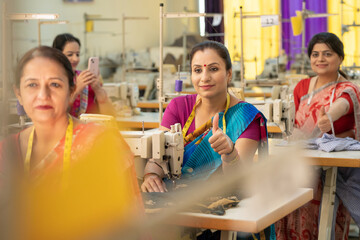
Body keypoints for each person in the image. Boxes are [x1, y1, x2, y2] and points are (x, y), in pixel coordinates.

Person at [0, 46, 142, 239]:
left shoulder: (101, 144)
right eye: (32, 85)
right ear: (18, 94)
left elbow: (128, 223)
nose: (43, 95)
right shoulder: (5, 151)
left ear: (71, 90)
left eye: (55, 85)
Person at [141, 41, 274, 239]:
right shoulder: (178, 107)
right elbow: (159, 156)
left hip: (220, 208)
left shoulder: (246, 117)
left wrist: (230, 154)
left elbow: (236, 181)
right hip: (175, 202)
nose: (204, 77)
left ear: (229, 74)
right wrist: (151, 174)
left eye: (213, 69)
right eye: (197, 70)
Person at [276, 32, 360, 239]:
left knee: (324, 221)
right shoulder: (302, 86)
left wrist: (328, 118)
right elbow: (294, 123)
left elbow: (343, 103)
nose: (320, 59)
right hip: (301, 166)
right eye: (315, 54)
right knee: (290, 212)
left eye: (327, 54)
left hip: (332, 170)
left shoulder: (349, 88)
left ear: (340, 58)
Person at [52, 33, 115, 118]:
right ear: (58, 56)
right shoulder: (52, 83)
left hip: (91, 129)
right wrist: (76, 91)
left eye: (77, 54)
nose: (76, 59)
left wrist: (98, 90)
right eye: (70, 54)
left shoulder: (85, 79)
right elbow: (56, 117)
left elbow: (110, 116)